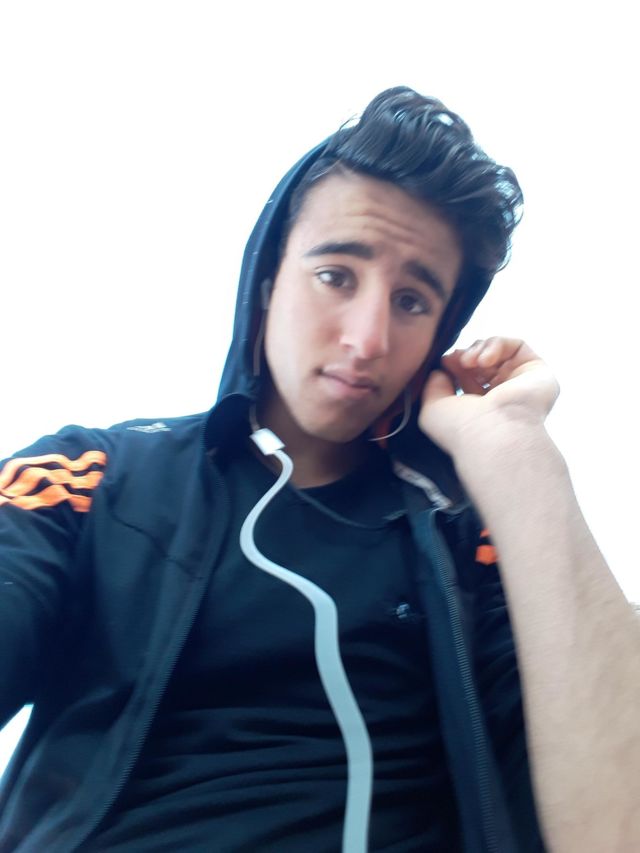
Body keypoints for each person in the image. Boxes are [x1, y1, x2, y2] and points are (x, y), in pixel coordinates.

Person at [0, 87, 638, 853]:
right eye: (337, 275)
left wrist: (516, 453)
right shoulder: (93, 475)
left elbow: (619, 825)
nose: (367, 340)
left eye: (412, 301)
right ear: (269, 281)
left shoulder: (471, 547)